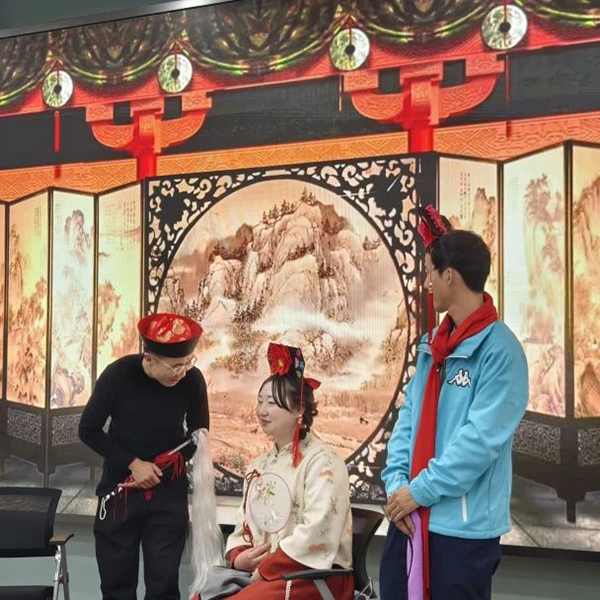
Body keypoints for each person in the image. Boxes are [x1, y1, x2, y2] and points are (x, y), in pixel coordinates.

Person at [379, 206, 529, 600]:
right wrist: (398, 487)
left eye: (431, 271)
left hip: (460, 531)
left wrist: (419, 491)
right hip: (409, 516)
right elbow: (407, 421)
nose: (427, 282)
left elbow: (479, 443)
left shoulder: (502, 352)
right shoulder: (431, 346)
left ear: (450, 275)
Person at [192, 342, 353, 600]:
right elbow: (244, 525)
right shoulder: (259, 465)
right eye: (260, 402)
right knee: (201, 596)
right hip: (264, 575)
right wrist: (239, 558)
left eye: (272, 403)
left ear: (299, 409)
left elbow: (316, 534)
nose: (262, 411)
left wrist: (266, 569)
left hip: (312, 577)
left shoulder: (324, 462)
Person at [79, 312, 209, 600]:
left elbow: (199, 434)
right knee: (116, 586)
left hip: (167, 494)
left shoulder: (192, 380)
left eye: (188, 363)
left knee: (164, 587)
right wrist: (133, 464)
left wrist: (159, 469)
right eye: (176, 366)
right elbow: (88, 430)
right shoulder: (118, 375)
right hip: (120, 490)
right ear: (149, 359)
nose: (182, 372)